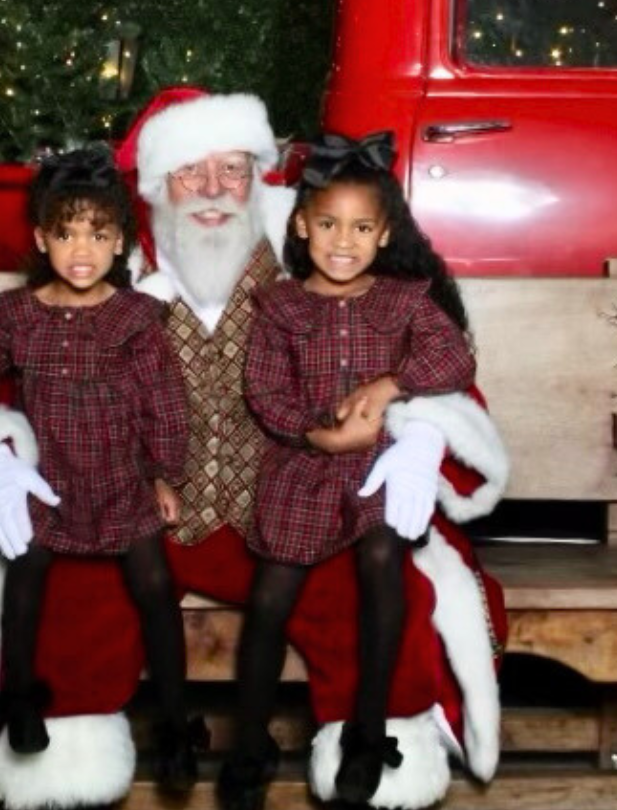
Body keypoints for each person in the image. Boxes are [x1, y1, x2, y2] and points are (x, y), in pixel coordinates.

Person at [0, 88, 510, 810]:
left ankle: (378, 737)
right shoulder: (111, 280)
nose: (211, 189)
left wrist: (415, 432)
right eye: (189, 171)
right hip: (140, 505)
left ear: (262, 179)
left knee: (358, 582)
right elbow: (8, 384)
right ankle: (66, 736)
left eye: (231, 169)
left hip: (294, 502)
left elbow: (443, 369)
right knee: (82, 581)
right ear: (152, 187)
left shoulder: (325, 264)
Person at [0, 148, 200, 792]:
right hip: (47, 481)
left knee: (156, 587)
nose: (83, 249)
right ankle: (21, 698)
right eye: (68, 232)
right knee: (26, 575)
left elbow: (166, 402)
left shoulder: (135, 320)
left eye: (99, 234)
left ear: (119, 245)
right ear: (42, 238)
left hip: (119, 479)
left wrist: (166, 475)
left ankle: (174, 720)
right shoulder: (18, 316)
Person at [224, 131, 476, 809]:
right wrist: (313, 434)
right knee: (273, 593)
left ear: (385, 232)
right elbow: (264, 391)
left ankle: (369, 730)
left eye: (362, 227)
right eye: (329, 224)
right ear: (302, 226)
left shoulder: (403, 300)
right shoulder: (278, 307)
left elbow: (455, 361)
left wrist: (392, 383)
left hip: (377, 468)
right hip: (301, 467)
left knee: (382, 557)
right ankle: (248, 742)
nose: (344, 241)